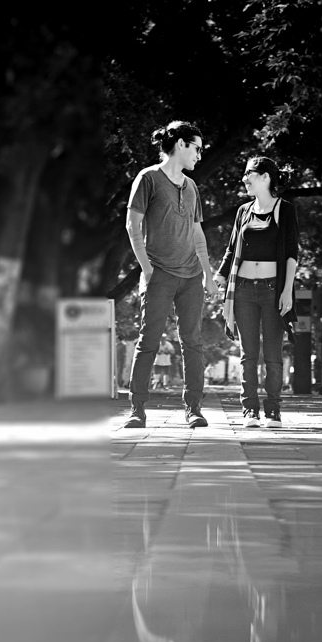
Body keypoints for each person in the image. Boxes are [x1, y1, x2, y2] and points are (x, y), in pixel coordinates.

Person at [124, 121, 218, 428]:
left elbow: (197, 233)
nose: (200, 156)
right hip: (159, 274)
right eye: (197, 148)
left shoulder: (191, 187)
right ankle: (137, 409)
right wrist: (148, 270)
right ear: (180, 144)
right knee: (149, 340)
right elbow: (132, 226)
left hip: (191, 277)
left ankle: (194, 408)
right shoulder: (148, 178)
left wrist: (207, 272)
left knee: (192, 342)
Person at [214, 156, 299, 428]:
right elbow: (230, 250)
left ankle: (273, 410)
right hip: (242, 291)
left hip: (274, 290)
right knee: (248, 355)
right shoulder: (243, 211)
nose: (244, 179)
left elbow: (291, 254)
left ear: (265, 177)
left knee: (273, 355)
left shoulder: (285, 210)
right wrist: (219, 276)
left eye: (248, 174)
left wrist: (287, 291)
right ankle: (250, 410)